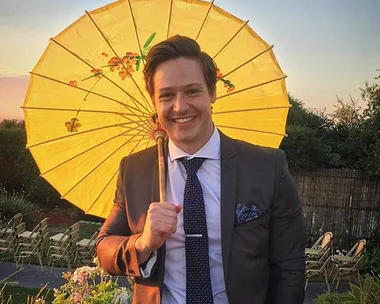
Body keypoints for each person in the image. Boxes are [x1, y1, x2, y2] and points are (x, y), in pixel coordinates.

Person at [96, 35, 305, 304]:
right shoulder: (134, 169)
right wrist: (142, 243)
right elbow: (104, 248)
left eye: (192, 91)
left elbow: (289, 265)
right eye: (167, 95)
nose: (180, 106)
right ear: (154, 102)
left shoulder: (267, 167)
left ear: (212, 92)